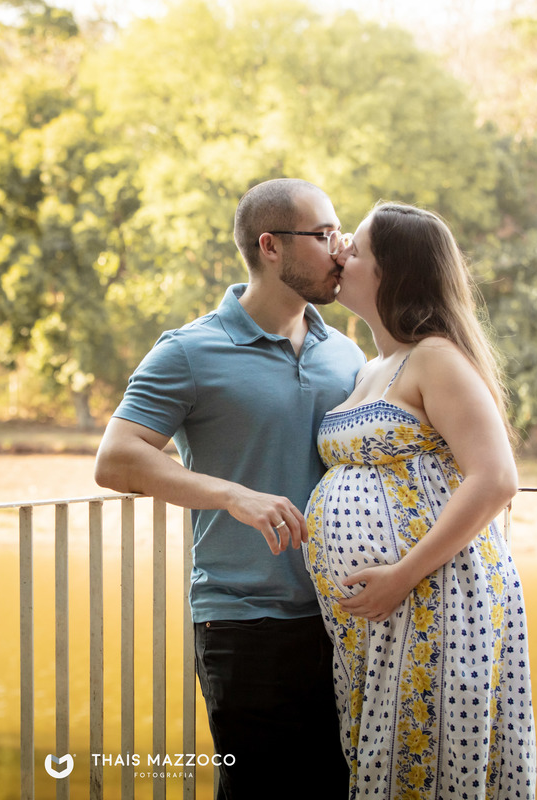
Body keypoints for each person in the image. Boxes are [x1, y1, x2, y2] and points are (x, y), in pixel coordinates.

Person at [95, 178, 365, 797]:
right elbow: (116, 460)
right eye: (324, 236)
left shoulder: (345, 354)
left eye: (340, 233)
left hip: (343, 619)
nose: (340, 249)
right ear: (270, 246)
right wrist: (231, 495)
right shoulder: (189, 351)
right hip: (245, 624)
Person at [304, 202, 537, 798]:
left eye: (354, 248)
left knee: (426, 763)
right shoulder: (372, 367)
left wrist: (403, 575)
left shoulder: (435, 356)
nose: (339, 254)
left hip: (436, 599)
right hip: (381, 620)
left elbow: (496, 478)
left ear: (392, 272)